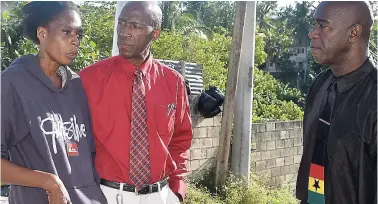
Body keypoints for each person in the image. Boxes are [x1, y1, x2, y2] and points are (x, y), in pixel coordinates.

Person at [79, 1, 193, 204]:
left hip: (161, 196)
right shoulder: (88, 79)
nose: (124, 32)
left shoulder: (173, 82)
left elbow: (181, 139)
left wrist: (176, 191)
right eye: (121, 23)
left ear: (155, 33)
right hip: (105, 194)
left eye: (135, 26)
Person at [1, 2, 107, 204]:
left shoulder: (76, 85)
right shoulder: (12, 83)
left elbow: (87, 155)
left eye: (78, 34)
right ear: (42, 33)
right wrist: (49, 182)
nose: (75, 41)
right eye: (66, 32)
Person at [296, 1, 377, 204]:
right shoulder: (320, 85)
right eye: (315, 25)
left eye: (323, 26)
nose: (312, 33)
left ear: (353, 33)